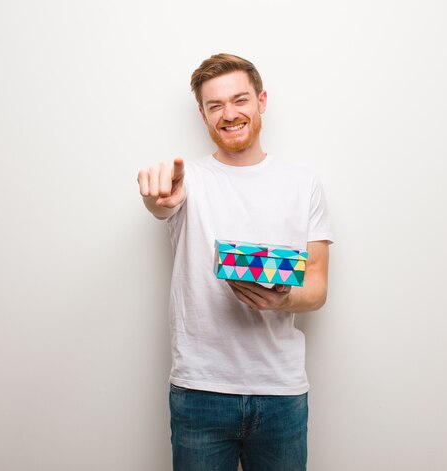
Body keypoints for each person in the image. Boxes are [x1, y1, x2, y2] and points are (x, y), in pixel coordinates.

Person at [137, 53, 333, 471]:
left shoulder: (303, 184)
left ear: (261, 101)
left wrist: (281, 301)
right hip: (199, 390)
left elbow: (316, 287)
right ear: (203, 115)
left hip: (281, 392)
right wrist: (157, 200)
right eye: (215, 106)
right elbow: (162, 205)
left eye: (240, 99)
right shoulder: (186, 179)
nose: (229, 114)